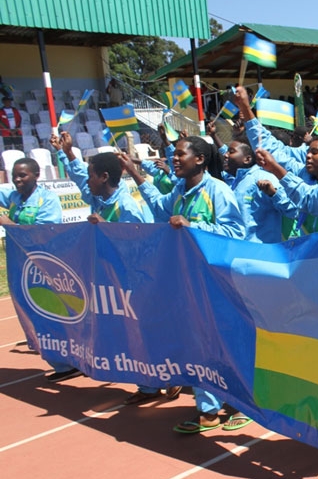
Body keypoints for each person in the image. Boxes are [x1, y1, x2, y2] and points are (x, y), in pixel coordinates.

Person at [122, 136, 247, 433]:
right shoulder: (179, 191)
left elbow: (235, 232)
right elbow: (158, 207)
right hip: (186, 281)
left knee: (221, 344)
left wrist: (195, 226)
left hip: (216, 282)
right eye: (174, 155)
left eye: (180, 154)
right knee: (197, 343)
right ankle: (209, 409)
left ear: (200, 159)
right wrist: (135, 174)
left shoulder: (217, 190)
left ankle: (238, 404)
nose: (174, 159)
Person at [51, 132, 183, 403]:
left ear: (103, 177)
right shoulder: (99, 195)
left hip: (140, 278)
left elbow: (141, 244)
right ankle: (148, 386)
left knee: (149, 330)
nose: (86, 181)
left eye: (91, 175)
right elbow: (79, 180)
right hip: (114, 277)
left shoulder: (127, 206)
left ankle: (173, 374)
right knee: (127, 332)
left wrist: (107, 229)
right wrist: (69, 154)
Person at [0, 158, 72, 380]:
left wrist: (7, 223)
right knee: (28, 311)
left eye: (23, 176)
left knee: (50, 311)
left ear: (36, 175)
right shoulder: (13, 197)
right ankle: (58, 360)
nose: (18, 180)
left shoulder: (47, 200)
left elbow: (41, 233)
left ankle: (68, 361)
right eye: (15, 176)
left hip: (42, 266)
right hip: (18, 265)